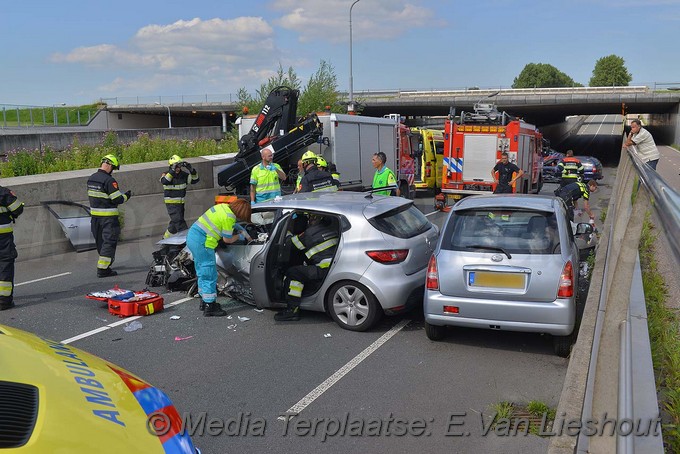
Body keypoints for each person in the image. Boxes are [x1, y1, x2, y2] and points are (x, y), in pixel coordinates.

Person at [187, 199, 252, 316]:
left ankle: (204, 301)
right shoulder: (229, 217)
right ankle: (210, 307)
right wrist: (238, 236)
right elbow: (227, 239)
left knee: (202, 272)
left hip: (193, 237)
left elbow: (230, 224)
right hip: (204, 243)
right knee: (209, 274)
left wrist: (244, 232)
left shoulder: (223, 207)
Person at [275, 214, 339, 321]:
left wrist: (288, 231)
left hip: (323, 270)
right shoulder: (332, 228)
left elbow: (290, 244)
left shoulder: (310, 233)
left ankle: (292, 310)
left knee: (293, 272)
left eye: (313, 218)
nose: (310, 220)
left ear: (319, 219)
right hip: (335, 267)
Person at [87, 154, 131, 278]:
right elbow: (117, 199)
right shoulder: (109, 180)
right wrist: (127, 196)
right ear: (110, 165)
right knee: (109, 241)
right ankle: (103, 269)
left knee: (101, 241)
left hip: (95, 217)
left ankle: (106, 262)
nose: (113, 171)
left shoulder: (92, 178)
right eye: (114, 168)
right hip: (108, 218)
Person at [160, 155, 199, 238]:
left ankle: (164, 241)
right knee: (180, 224)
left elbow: (195, 180)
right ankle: (187, 241)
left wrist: (191, 170)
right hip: (171, 205)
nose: (178, 168)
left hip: (180, 204)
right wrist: (172, 171)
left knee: (174, 225)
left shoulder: (184, 175)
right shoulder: (166, 174)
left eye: (180, 166)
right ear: (171, 166)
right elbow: (165, 181)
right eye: (177, 166)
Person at [0, 184, 24, 311]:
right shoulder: (3, 193)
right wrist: (12, 196)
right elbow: (18, 208)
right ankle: (3, 301)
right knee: (5, 265)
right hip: (2, 239)